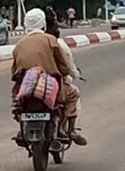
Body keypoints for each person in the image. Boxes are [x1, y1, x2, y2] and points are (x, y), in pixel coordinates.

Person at [11, 8, 87, 146]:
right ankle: (70, 130)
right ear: (44, 24)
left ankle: (22, 130)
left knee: (17, 105)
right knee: (73, 94)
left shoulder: (19, 45)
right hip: (53, 90)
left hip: (25, 94)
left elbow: (14, 72)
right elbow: (64, 66)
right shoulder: (51, 40)